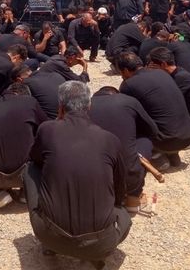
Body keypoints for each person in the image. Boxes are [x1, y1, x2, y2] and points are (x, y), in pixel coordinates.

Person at [24, 81, 131, 269]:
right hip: (101, 244)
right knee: (125, 216)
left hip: (50, 235)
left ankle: (51, 246)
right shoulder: (110, 139)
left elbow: (34, 159)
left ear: (60, 107)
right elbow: (121, 187)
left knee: (30, 169)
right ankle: (92, 256)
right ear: (89, 106)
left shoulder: (48, 129)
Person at [116, 52, 190, 169]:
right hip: (188, 134)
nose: (121, 76)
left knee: (129, 118)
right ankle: (172, 154)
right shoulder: (161, 73)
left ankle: (156, 155)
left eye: (121, 73)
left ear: (126, 70)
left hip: (167, 140)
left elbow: (128, 114)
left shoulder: (129, 85)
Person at [0, 82, 47, 210]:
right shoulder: (30, 103)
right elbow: (46, 129)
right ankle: (26, 192)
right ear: (24, 94)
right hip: (24, 174)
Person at [89, 86, 159, 213]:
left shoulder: (83, 106)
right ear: (116, 94)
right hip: (128, 179)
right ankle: (133, 197)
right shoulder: (128, 101)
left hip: (89, 181)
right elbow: (153, 130)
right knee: (144, 139)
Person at [147, 47, 190, 142]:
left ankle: (188, 139)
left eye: (153, 65)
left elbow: (164, 102)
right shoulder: (176, 73)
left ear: (163, 64)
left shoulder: (181, 78)